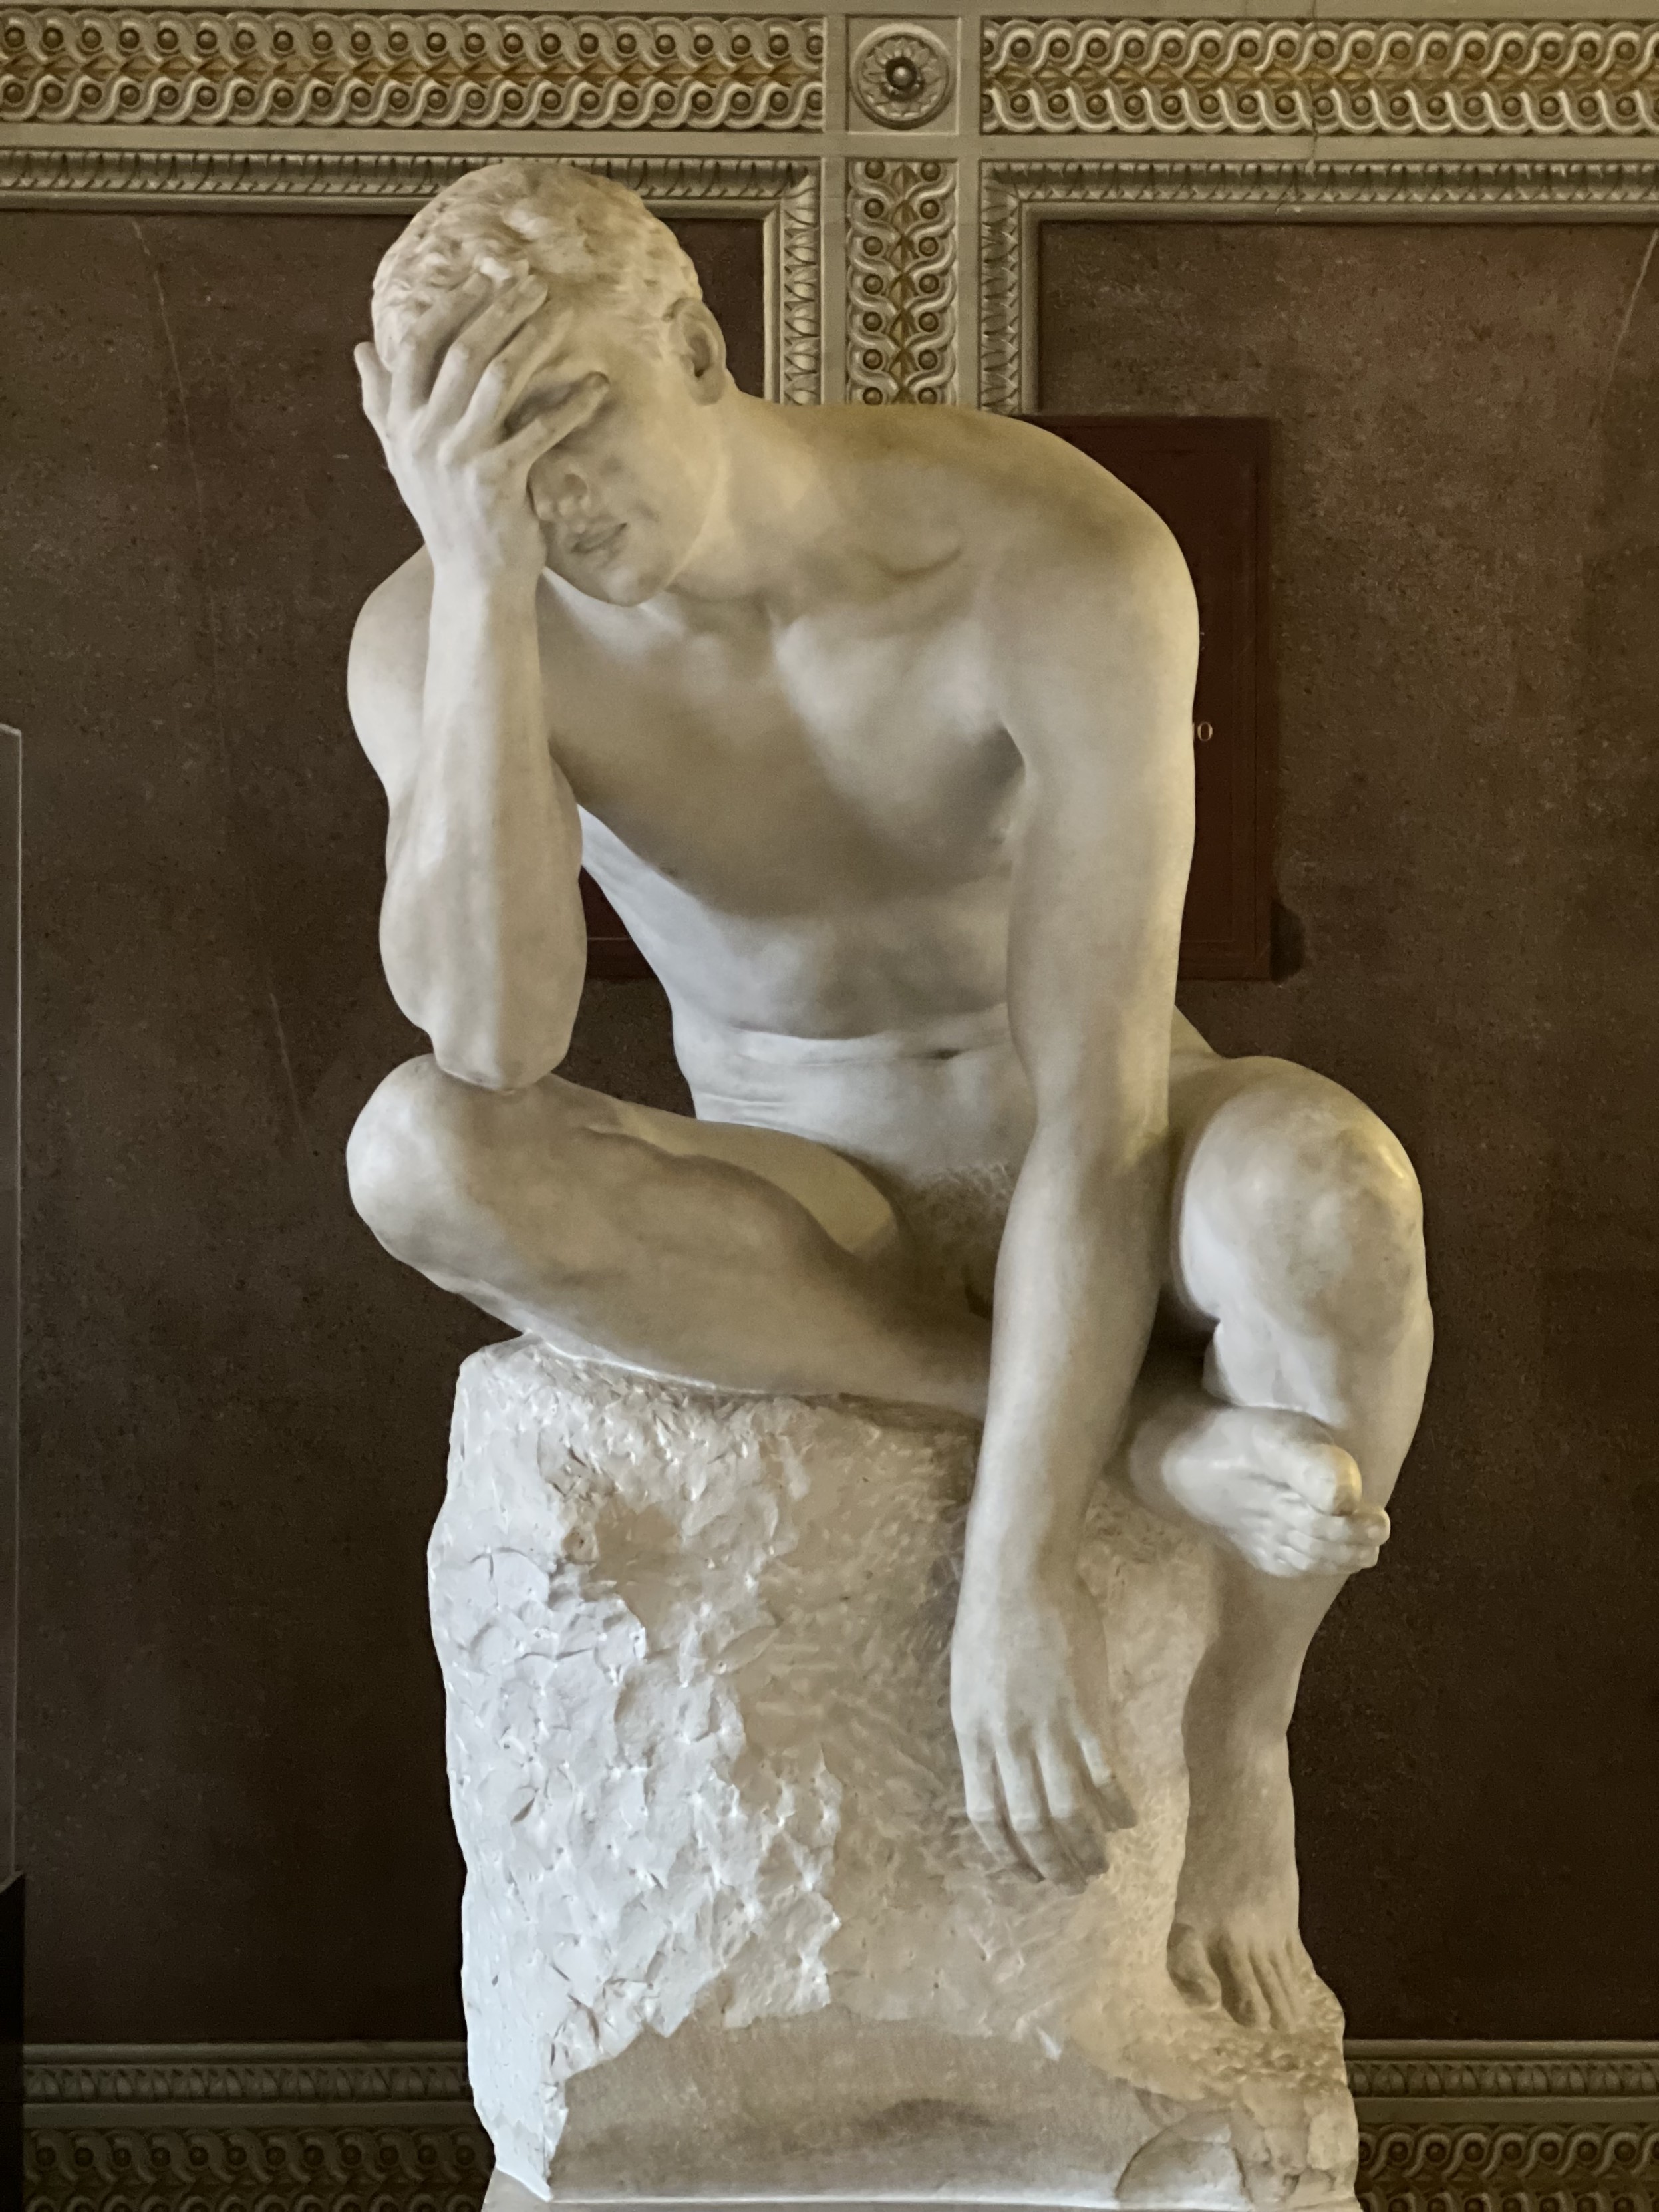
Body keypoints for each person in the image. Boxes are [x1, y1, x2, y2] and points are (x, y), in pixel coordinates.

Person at [345, 160, 1432, 2035]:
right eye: (489, 454)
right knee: (414, 1153)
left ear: (695, 344)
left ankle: (1244, 1731)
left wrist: (1016, 1581)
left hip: (1107, 1147)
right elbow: (494, 1043)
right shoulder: (447, 624)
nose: (558, 493)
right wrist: (478, 586)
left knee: (1335, 1193)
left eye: (571, 414)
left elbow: (1099, 1111)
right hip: (799, 1191)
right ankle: (1160, 1448)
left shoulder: (1039, 553)